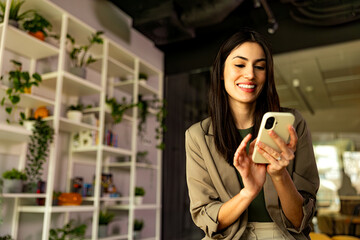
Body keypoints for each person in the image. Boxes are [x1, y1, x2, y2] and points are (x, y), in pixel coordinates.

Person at [185, 28, 319, 240]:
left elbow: (300, 220)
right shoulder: (198, 136)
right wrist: (248, 192)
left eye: (260, 67)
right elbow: (205, 216)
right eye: (240, 64)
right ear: (221, 72)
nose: (250, 74)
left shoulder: (293, 124)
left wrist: (279, 175)